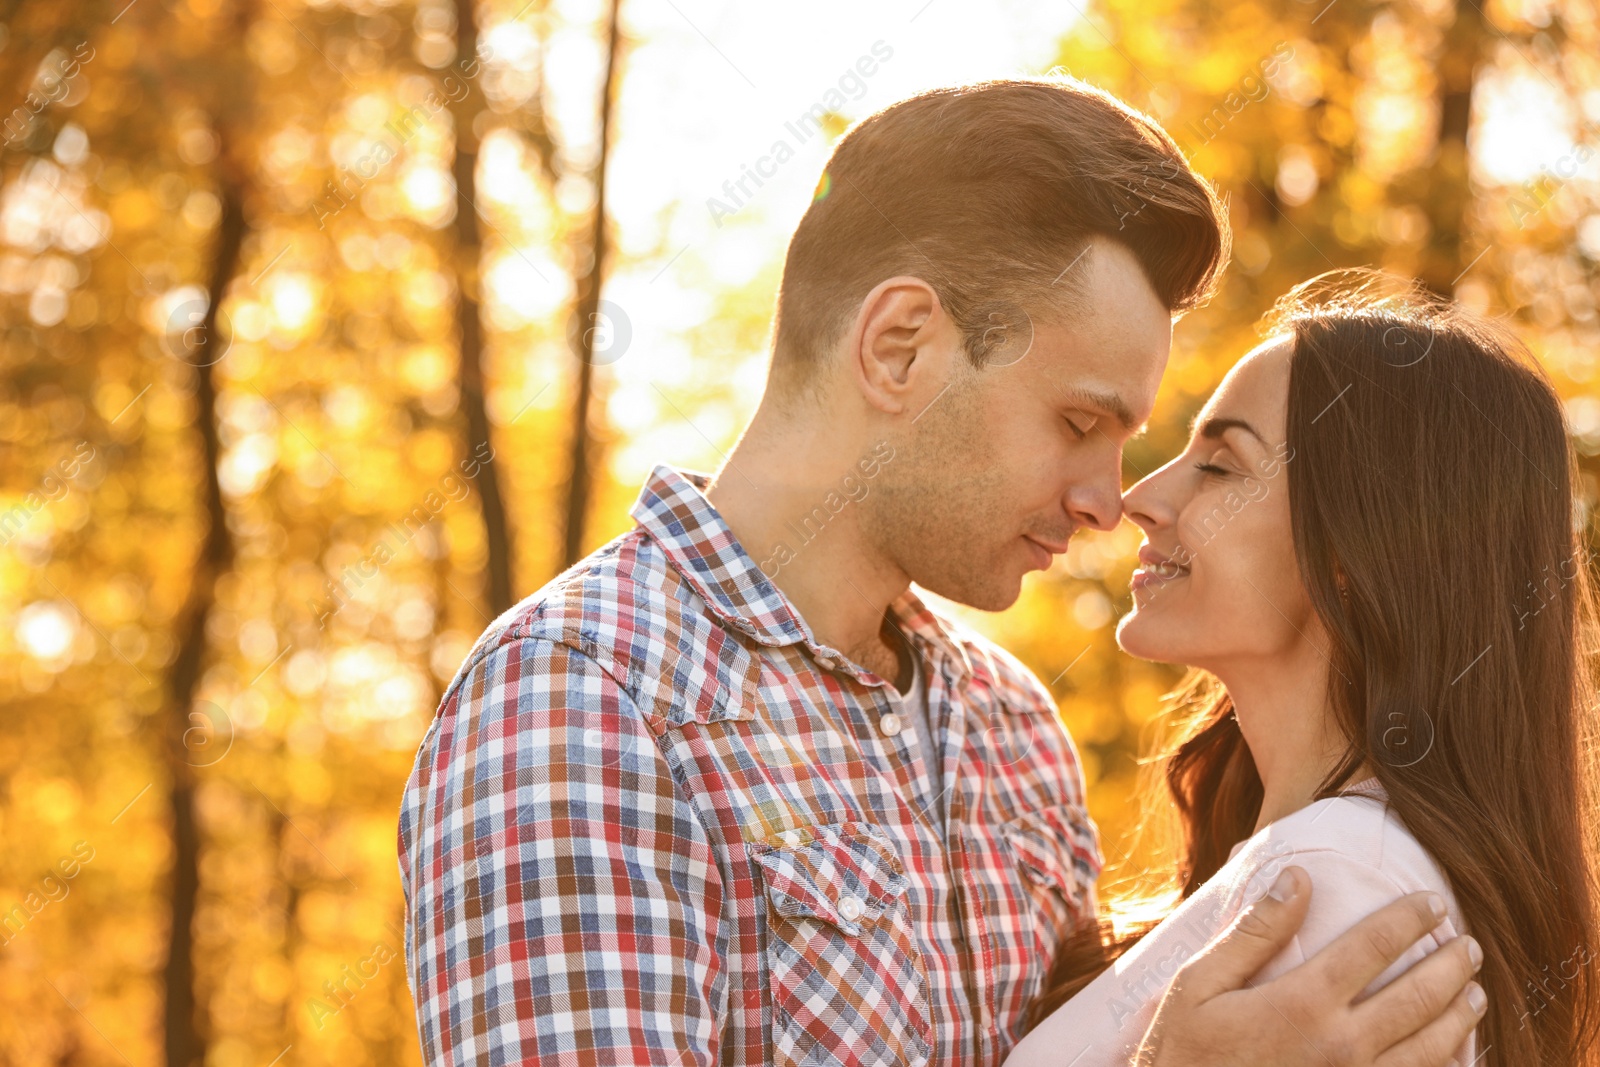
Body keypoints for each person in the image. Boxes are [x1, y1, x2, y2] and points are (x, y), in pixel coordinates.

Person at [398, 78, 1484, 1065]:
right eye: (1076, 419)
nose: (1109, 499)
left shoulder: (1008, 727)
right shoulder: (586, 701)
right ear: (901, 344)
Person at [1009, 273, 1600, 1067]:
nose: (1141, 497)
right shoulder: (1317, 864)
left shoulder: (1333, 882)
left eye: (1220, 466)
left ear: (1358, 552)